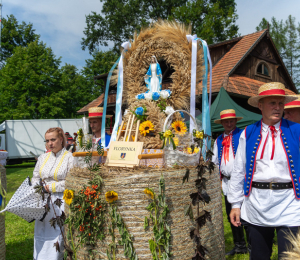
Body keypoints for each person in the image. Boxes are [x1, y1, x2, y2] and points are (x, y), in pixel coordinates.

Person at [228, 82, 299, 260]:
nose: (277, 108)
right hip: (256, 205)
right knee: (259, 257)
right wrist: (235, 204)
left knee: (290, 257)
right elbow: (238, 171)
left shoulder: (297, 130)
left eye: (280, 104)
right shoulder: (248, 132)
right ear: (260, 105)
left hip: (290, 205)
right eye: (272, 103)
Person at [32, 127, 74, 260]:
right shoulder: (43, 157)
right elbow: (35, 177)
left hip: (60, 201)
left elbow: (71, 181)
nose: (50, 143)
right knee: (41, 232)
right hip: (43, 201)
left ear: (61, 139)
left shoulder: (69, 157)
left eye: (53, 140)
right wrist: (37, 186)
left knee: (57, 233)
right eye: (47, 140)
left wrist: (51, 187)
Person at [212, 109, 248, 256]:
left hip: (243, 181)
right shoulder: (218, 139)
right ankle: (239, 245)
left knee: (246, 214)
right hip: (227, 183)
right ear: (222, 123)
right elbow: (214, 161)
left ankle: (253, 244)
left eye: (231, 120)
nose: (228, 123)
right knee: (231, 214)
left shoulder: (243, 135)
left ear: (235, 121)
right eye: (225, 121)